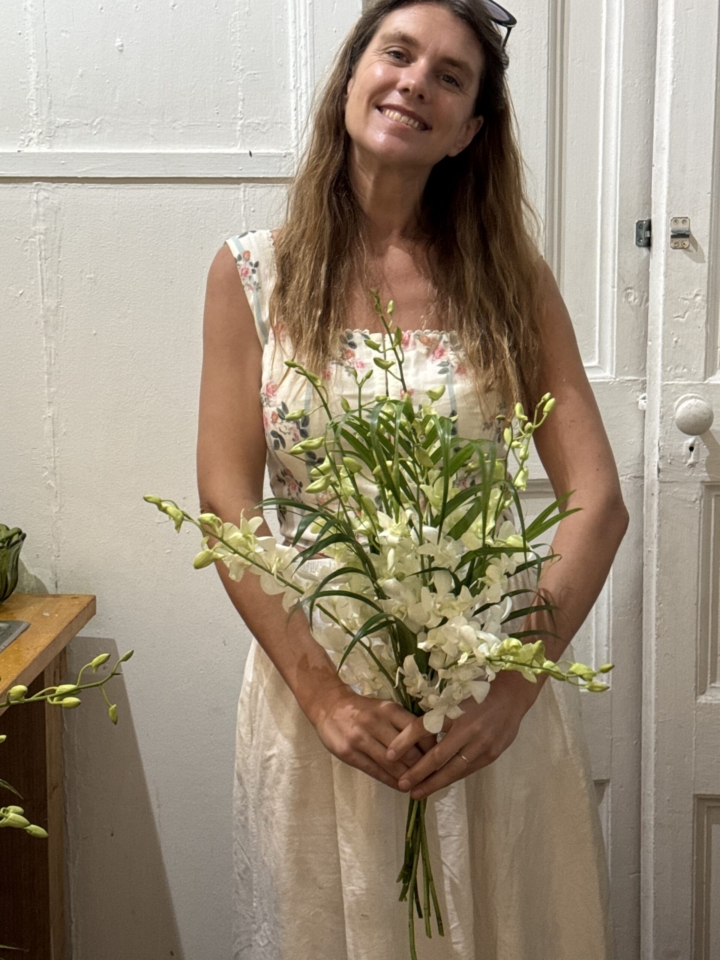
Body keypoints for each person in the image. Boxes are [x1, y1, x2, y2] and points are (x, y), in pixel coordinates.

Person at [197, 0, 629, 957]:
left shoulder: (511, 282)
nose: (414, 84)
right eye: (397, 54)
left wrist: (512, 690)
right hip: (319, 698)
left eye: (450, 76)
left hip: (480, 691)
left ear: (471, 129)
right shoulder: (253, 275)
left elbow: (598, 502)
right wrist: (324, 698)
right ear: (352, 75)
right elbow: (228, 508)